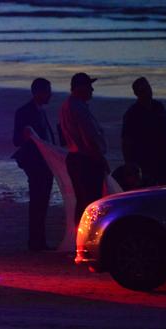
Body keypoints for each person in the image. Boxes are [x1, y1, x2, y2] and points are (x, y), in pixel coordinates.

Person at [12, 78, 57, 251]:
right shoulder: (24, 112)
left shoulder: (40, 111)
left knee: (42, 200)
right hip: (35, 163)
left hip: (45, 162)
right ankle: (35, 241)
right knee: (38, 201)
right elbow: (17, 140)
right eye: (48, 91)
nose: (50, 94)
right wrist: (26, 136)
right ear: (39, 92)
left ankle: (39, 241)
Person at [59, 73, 108, 223]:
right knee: (91, 201)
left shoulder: (67, 105)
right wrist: (100, 159)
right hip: (86, 160)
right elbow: (89, 137)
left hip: (76, 158)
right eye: (89, 86)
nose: (92, 90)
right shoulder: (78, 107)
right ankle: (86, 238)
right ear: (81, 88)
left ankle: (79, 236)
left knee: (82, 201)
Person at [122, 77, 166, 186]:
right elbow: (126, 141)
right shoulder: (132, 114)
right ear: (137, 93)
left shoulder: (158, 106)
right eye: (143, 90)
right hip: (145, 159)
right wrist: (129, 164)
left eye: (148, 88)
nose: (148, 92)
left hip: (164, 156)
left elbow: (165, 131)